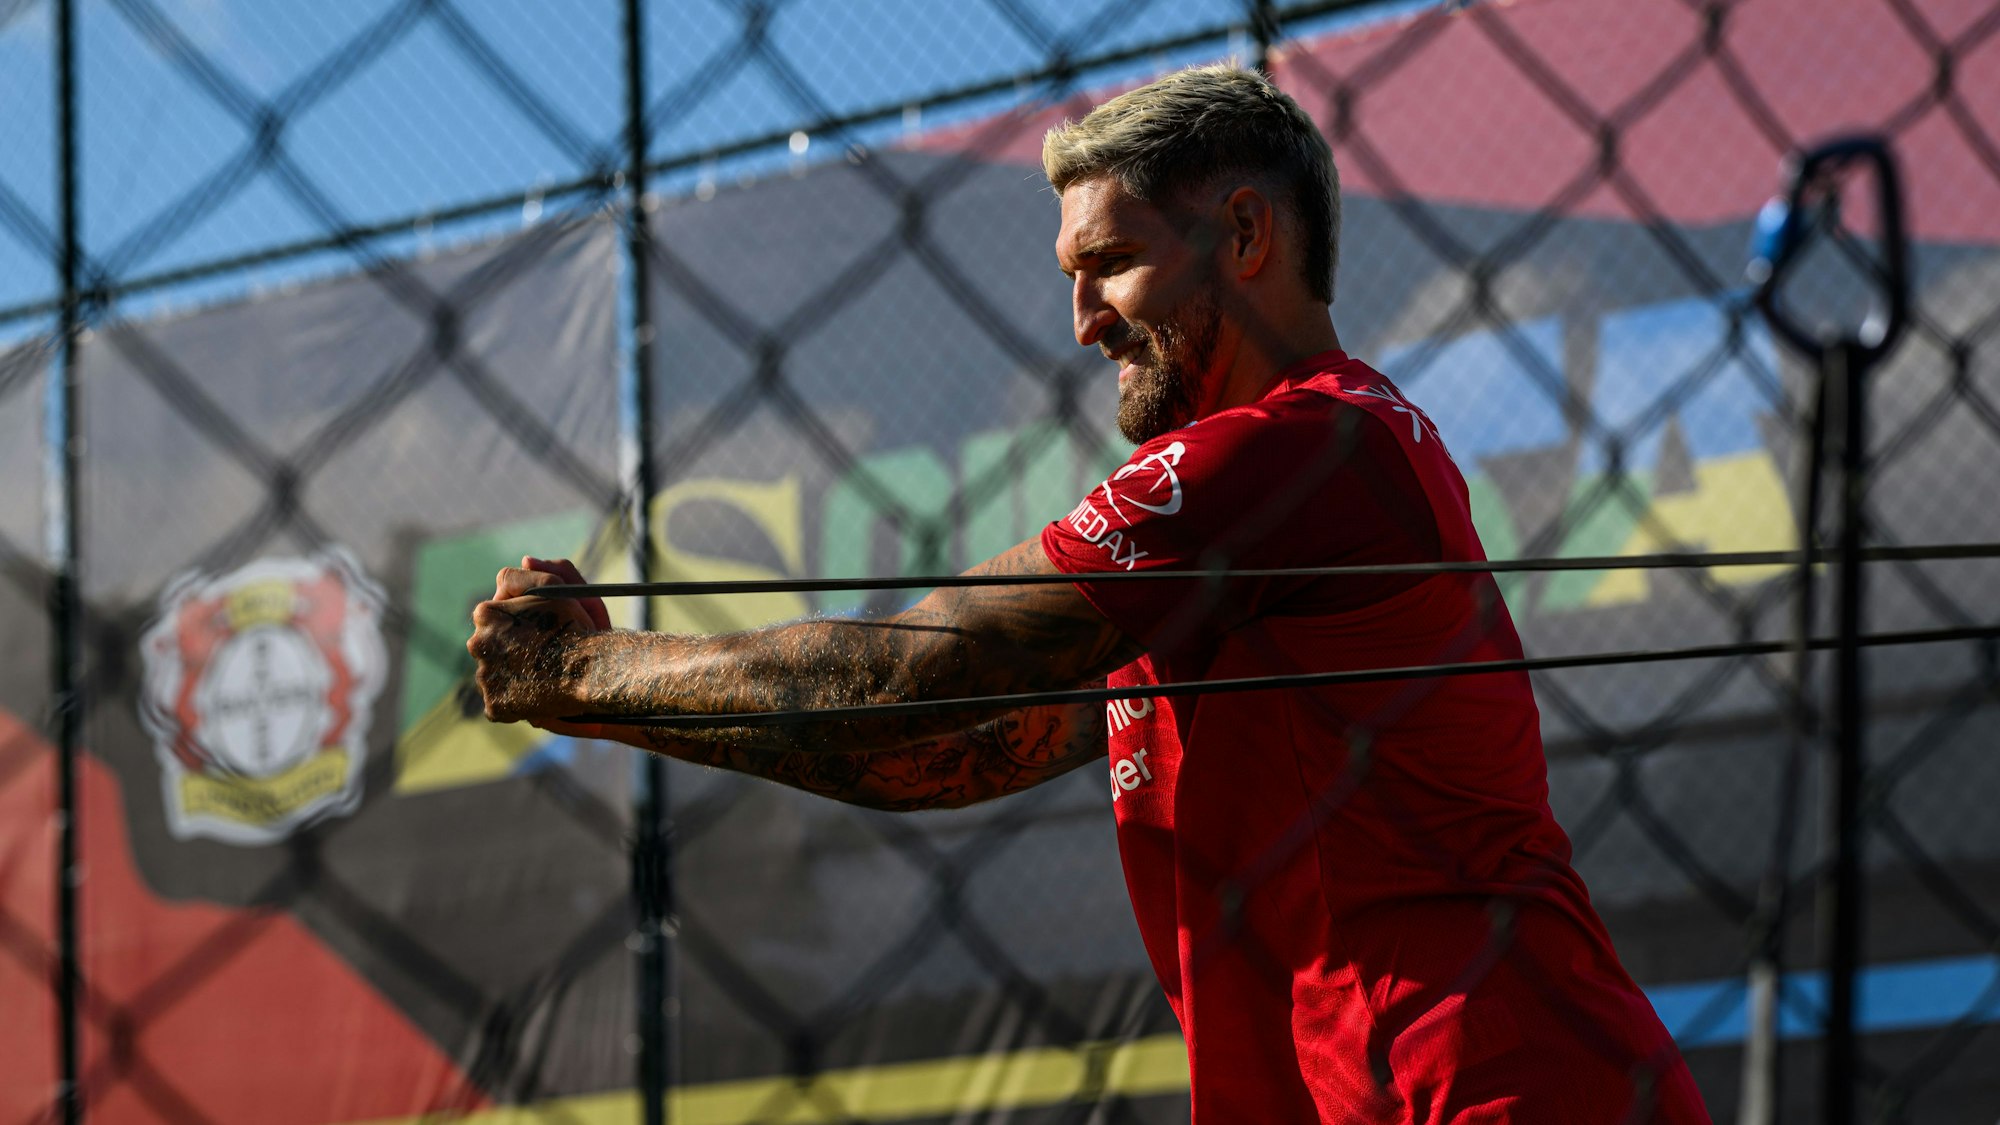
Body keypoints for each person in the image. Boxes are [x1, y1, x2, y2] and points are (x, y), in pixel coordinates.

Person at [469, 64, 1710, 1124]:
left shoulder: (1290, 449)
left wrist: (585, 671)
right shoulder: (1230, 532)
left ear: (1242, 236)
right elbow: (931, 751)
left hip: (1488, 1088)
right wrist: (593, 701)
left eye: (1109, 264)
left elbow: (915, 678)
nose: (1078, 323)